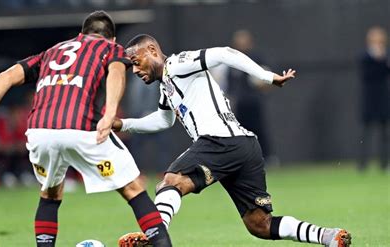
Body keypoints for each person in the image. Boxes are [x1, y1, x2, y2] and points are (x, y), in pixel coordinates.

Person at [114, 34, 351, 246]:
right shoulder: (167, 85)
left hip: (219, 141)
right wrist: (123, 124)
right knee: (260, 224)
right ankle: (327, 236)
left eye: (136, 62)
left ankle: (155, 236)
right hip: (244, 145)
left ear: (153, 51)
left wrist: (267, 77)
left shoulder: (177, 64)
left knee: (169, 183)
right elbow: (164, 121)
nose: (134, 71)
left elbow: (225, 54)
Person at [0, 12, 171, 247]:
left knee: (50, 193)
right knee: (133, 188)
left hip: (40, 131)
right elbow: (116, 72)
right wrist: (110, 112)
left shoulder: (51, 52)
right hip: (80, 127)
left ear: (81, 35)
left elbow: (6, 76)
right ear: (110, 39)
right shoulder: (111, 49)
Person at [223, 30, 277, 164]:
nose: (241, 44)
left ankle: (268, 157)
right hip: (240, 103)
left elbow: (267, 80)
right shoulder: (232, 61)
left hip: (254, 101)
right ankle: (245, 159)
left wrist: (262, 85)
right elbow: (230, 84)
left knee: (259, 129)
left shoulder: (256, 58)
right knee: (241, 132)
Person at [358, 26, 389, 172]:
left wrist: (383, 60)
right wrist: (378, 60)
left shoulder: (385, 58)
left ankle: (384, 164)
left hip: (383, 99)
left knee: (384, 134)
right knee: (366, 133)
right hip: (369, 100)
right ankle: (362, 164)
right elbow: (367, 76)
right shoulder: (364, 57)